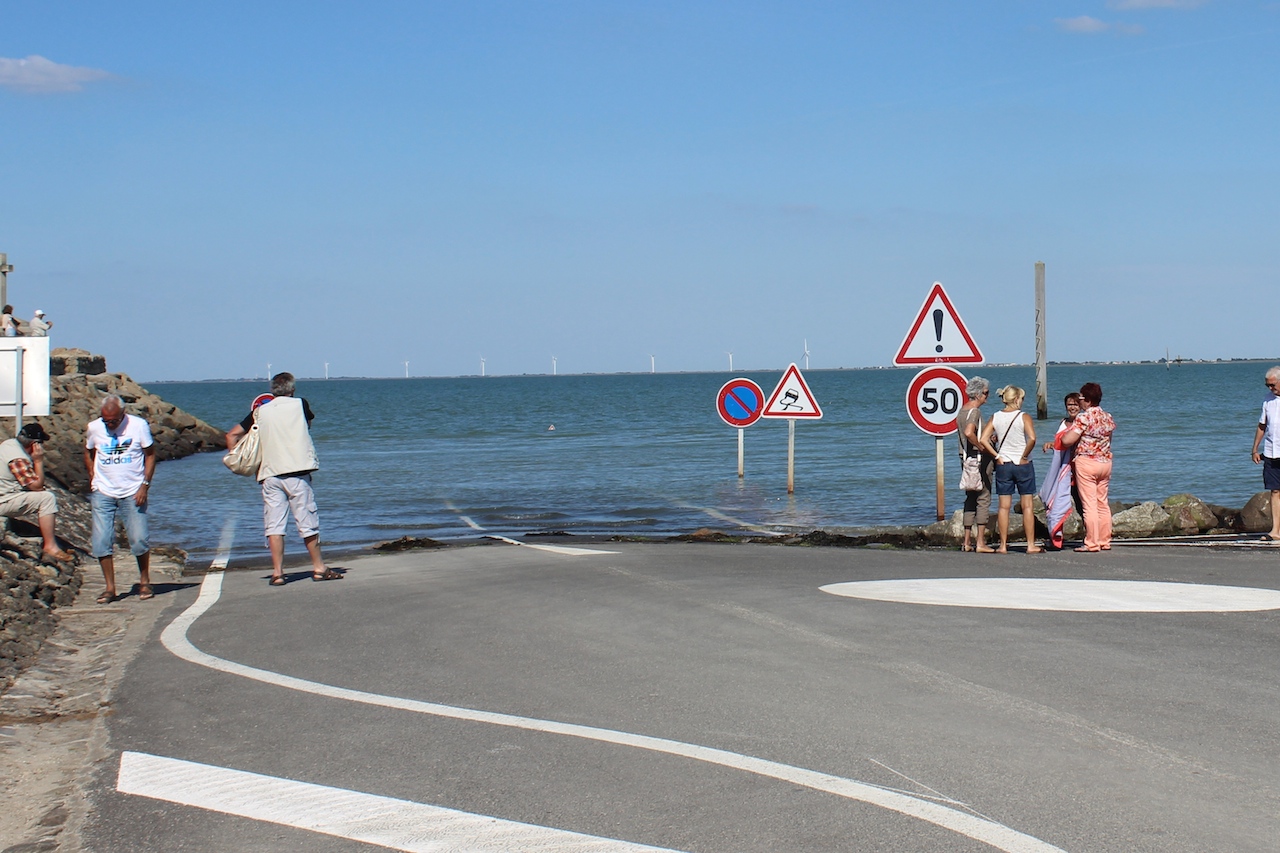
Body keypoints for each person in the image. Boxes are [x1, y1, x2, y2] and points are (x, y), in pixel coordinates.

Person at [225, 372, 338, 585]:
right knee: (307, 522)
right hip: (297, 473)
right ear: (292, 389)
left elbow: (231, 435)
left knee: (274, 525)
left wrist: (238, 461)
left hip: (269, 475)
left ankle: (277, 572)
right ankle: (319, 567)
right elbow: (308, 424)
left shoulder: (259, 412)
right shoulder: (300, 405)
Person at [84, 396, 156, 603]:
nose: (109, 425)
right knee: (101, 541)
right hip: (103, 491)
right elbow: (88, 451)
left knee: (139, 539)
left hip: (133, 490)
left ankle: (144, 580)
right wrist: (92, 476)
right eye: (106, 421)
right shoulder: (95, 428)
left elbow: (150, 455)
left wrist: (145, 485)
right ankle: (110, 588)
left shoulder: (138, 426)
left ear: (122, 415)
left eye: (113, 421)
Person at [0, 423, 75, 564]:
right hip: (3, 500)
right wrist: (38, 461)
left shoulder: (8, 444)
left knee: (43, 496)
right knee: (47, 498)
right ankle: (50, 546)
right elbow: (36, 486)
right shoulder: (18, 458)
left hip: (4, 496)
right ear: (35, 444)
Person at [980, 385, 1041, 554]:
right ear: (1016, 399)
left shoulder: (996, 417)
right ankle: (1030, 545)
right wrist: (1024, 456)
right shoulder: (1024, 416)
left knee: (1003, 507)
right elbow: (1032, 439)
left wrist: (997, 455)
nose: (1022, 402)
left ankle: (1003, 545)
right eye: (1021, 398)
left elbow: (983, 439)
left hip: (1003, 464)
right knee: (1027, 505)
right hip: (1022, 465)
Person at [1059, 382, 1116, 552]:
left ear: (1089, 400)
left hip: (1087, 462)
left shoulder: (1084, 418)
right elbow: (1109, 439)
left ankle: (1091, 542)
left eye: (1082, 398)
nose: (1080, 402)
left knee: (1089, 504)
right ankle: (1105, 540)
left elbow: (1067, 440)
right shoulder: (1107, 416)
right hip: (1105, 461)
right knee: (1102, 502)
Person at [1038, 393, 1082, 550]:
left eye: (1075, 404)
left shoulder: (1084, 422)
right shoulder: (1064, 423)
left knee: (1083, 506)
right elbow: (1061, 442)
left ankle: (1092, 537)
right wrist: (1052, 444)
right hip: (1063, 472)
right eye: (1069, 404)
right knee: (1056, 503)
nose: (1072, 407)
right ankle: (1057, 537)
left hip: (1079, 472)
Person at [958, 376, 995, 552]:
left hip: (965, 459)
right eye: (986, 393)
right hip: (978, 460)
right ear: (978, 394)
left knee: (970, 496)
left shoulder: (962, 411)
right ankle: (980, 542)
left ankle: (966, 541)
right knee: (984, 496)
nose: (987, 397)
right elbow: (969, 432)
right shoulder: (975, 412)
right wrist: (983, 447)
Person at [1250, 366, 1280, 541]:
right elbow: (1262, 425)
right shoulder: (1267, 400)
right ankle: (1276, 530)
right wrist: (1255, 448)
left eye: (1272, 385)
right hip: (1271, 451)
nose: (1270, 388)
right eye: (1267, 385)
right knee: (1275, 490)